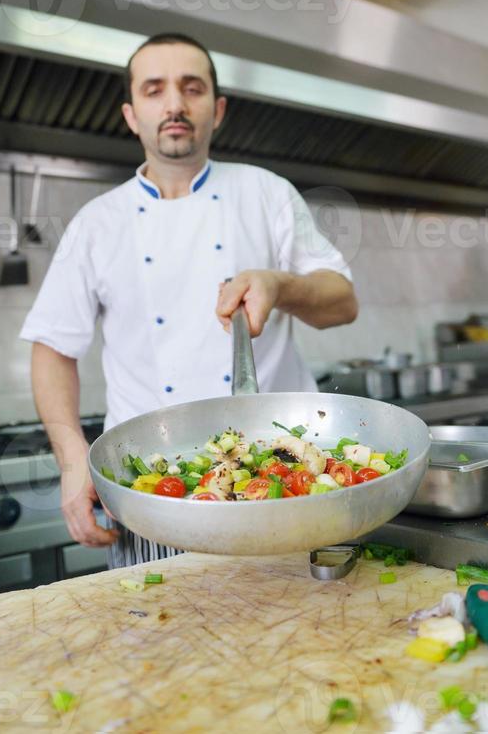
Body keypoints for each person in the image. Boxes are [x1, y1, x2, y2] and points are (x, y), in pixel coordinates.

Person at [20, 32, 358, 567]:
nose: (175, 104)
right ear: (132, 114)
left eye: (192, 88)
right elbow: (52, 349)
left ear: (217, 109)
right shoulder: (96, 224)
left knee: (303, 636)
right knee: (156, 635)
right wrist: (71, 461)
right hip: (154, 490)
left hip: (283, 481)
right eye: (155, 90)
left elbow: (342, 301)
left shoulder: (266, 193)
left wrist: (282, 285)